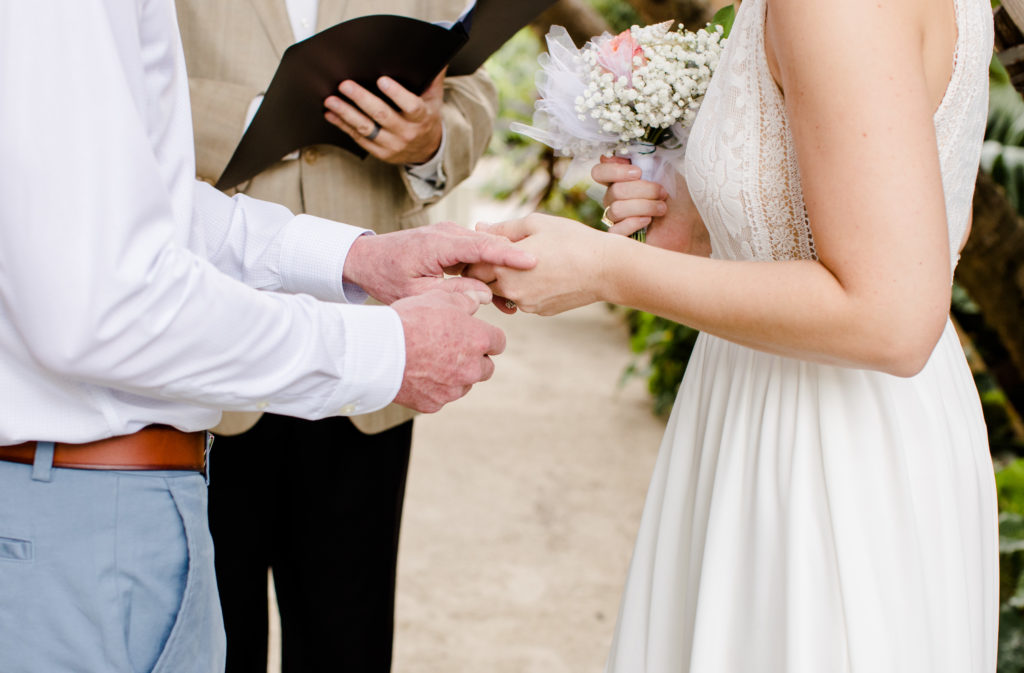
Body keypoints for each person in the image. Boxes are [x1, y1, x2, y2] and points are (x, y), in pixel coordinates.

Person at [0, 2, 534, 672]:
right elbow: (100, 302)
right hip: (91, 484)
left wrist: (352, 257)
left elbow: (141, 198)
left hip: (145, 471)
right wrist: (379, 349)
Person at [472, 0, 998, 670]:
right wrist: (704, 231)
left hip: (823, 461)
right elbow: (937, 219)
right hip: (795, 418)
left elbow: (890, 315)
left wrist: (608, 268)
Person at [174, 1, 498, 670]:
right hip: (204, 350)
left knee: (346, 634)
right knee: (207, 638)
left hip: (373, 349)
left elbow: (470, 87)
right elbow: (118, 88)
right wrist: (263, 120)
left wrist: (430, 140)